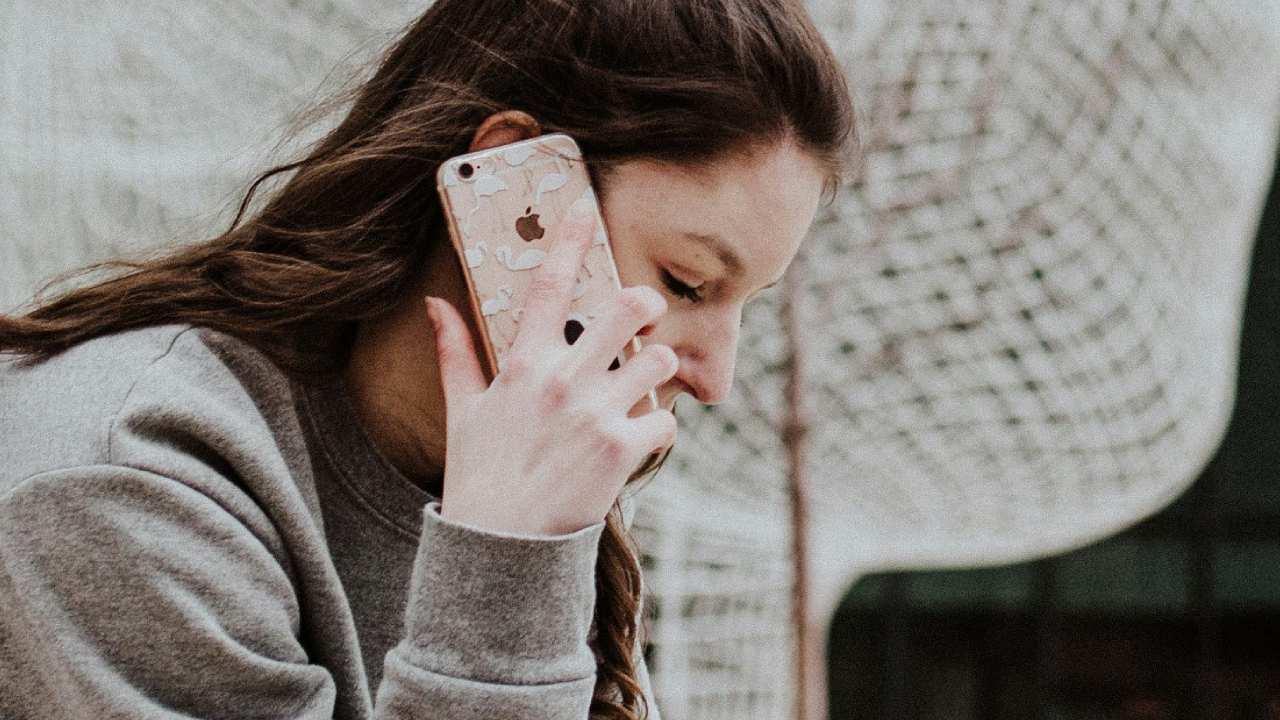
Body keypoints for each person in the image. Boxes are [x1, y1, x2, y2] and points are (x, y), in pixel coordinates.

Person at [0, 0, 856, 718]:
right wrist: (503, 566)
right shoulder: (128, 481)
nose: (714, 378)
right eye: (687, 280)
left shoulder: (505, 479)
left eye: (749, 305)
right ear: (512, 179)